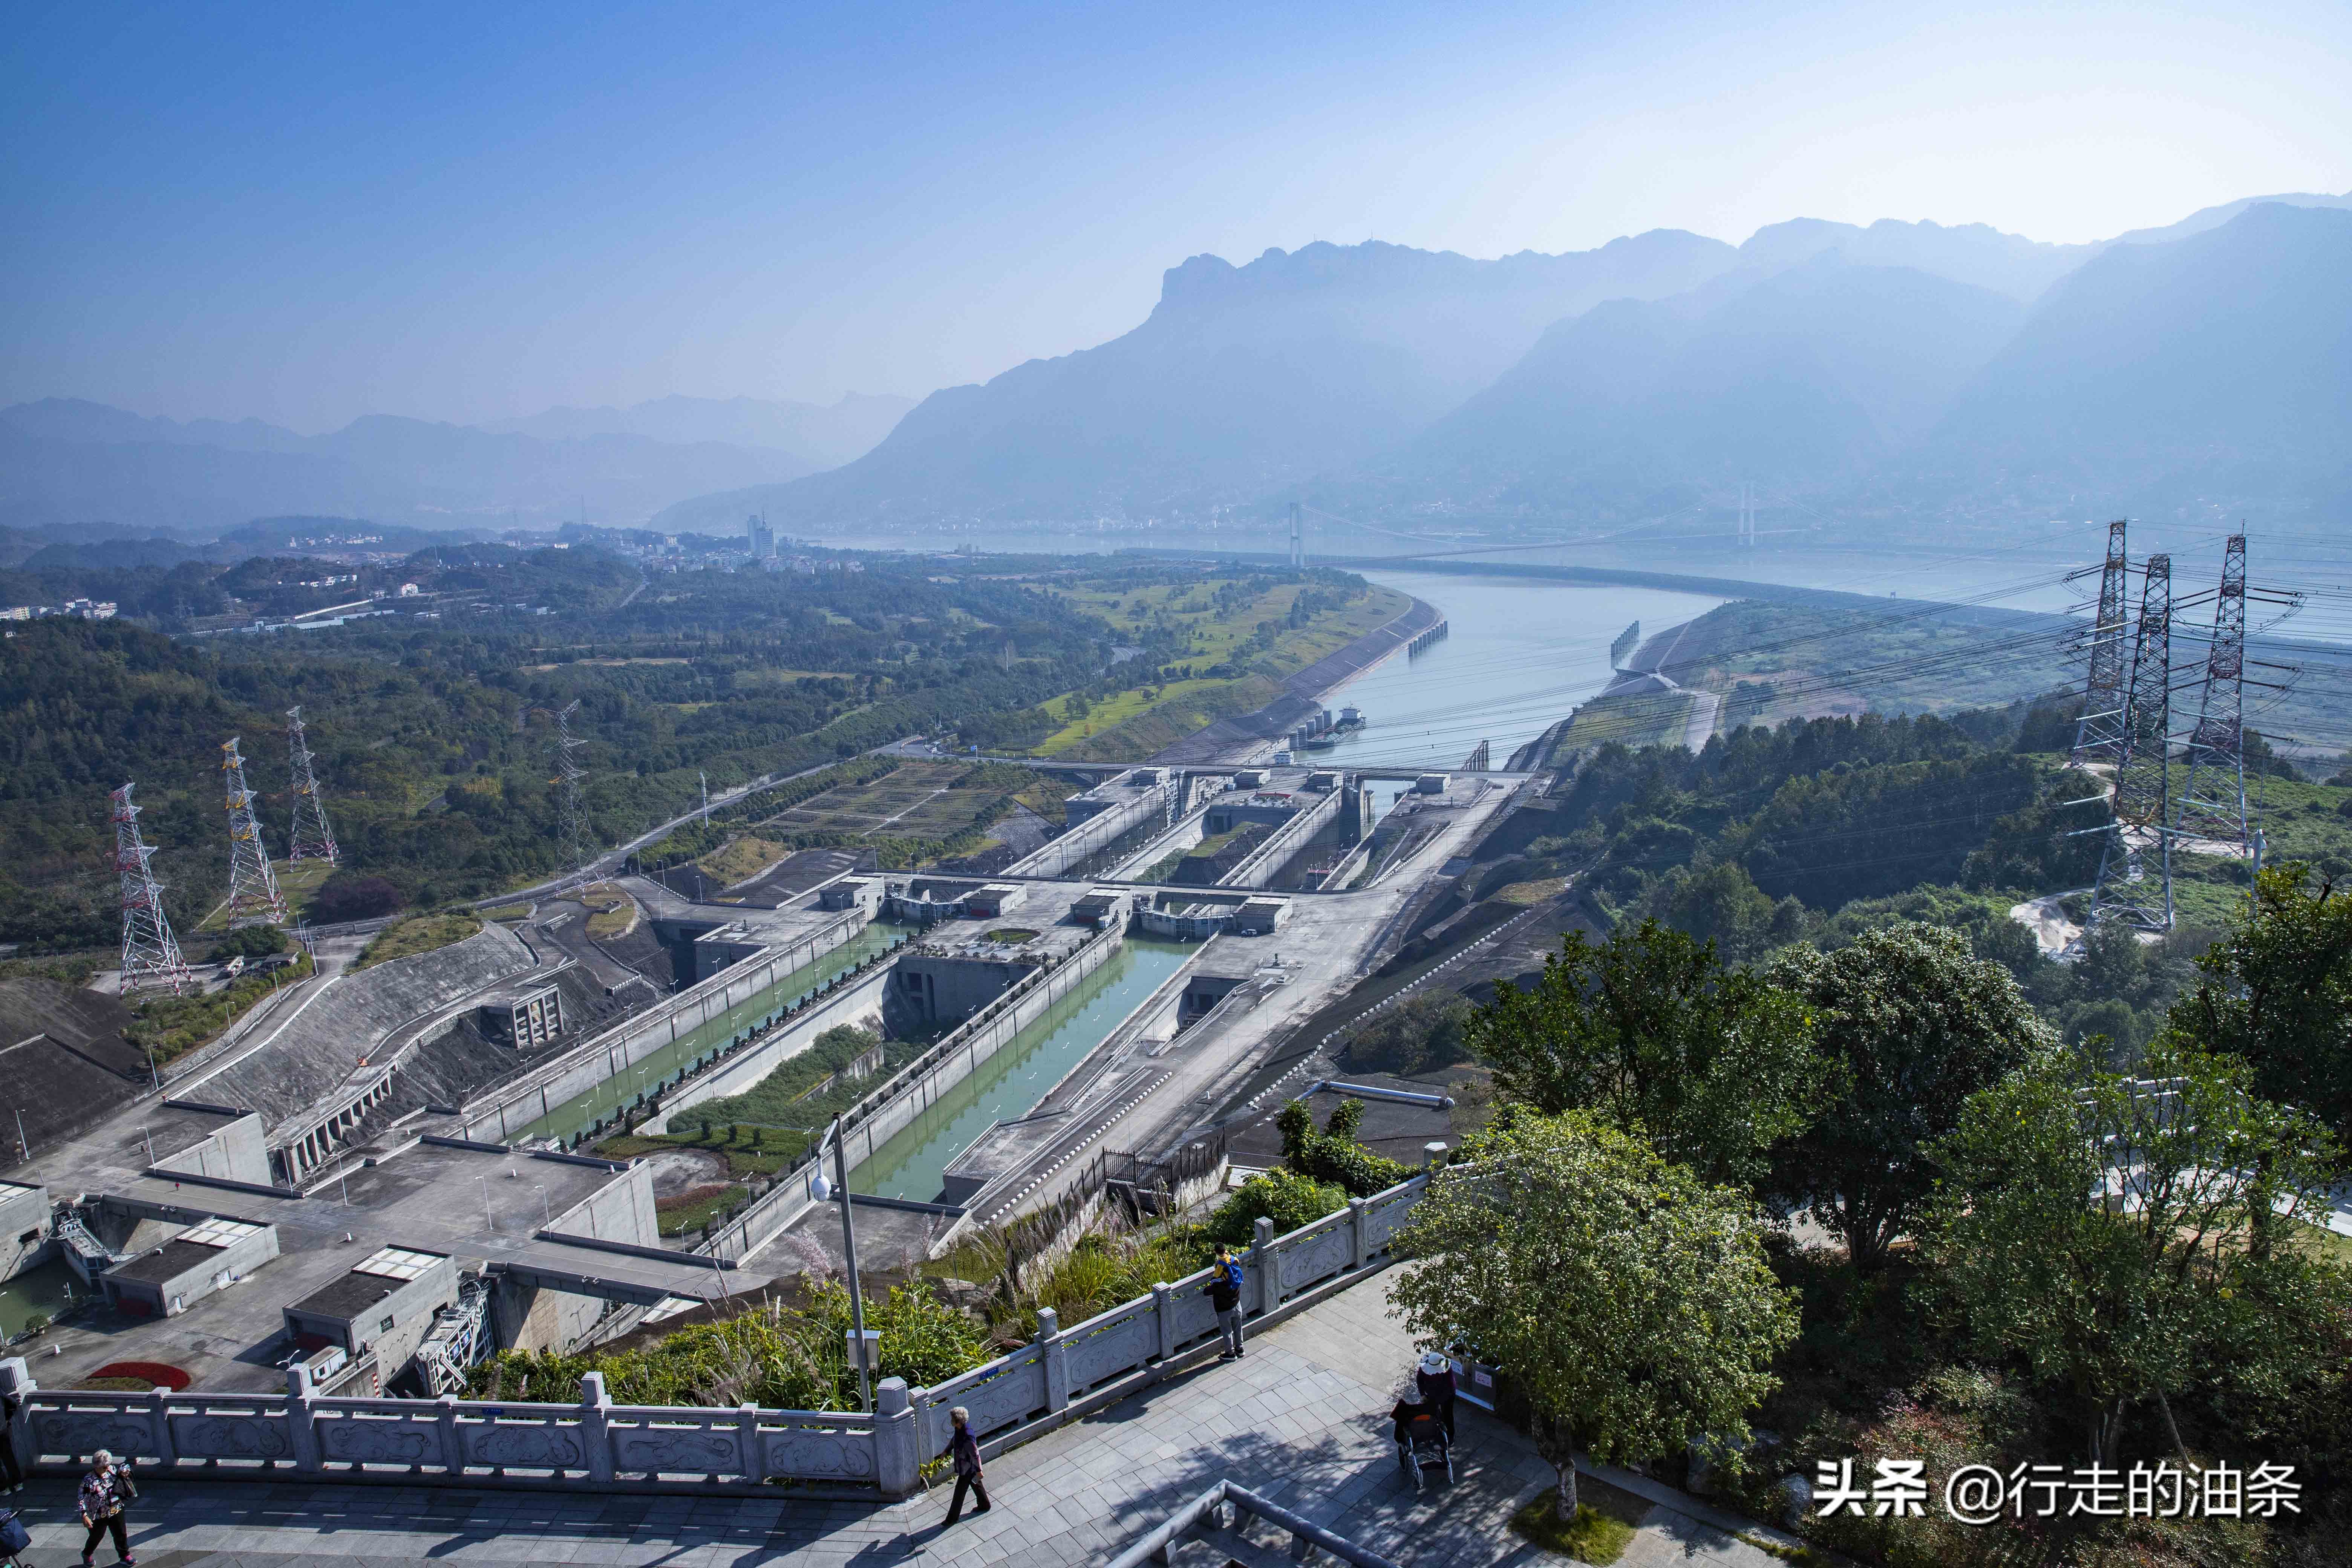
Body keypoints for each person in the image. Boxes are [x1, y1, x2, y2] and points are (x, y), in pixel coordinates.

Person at [77, 1450, 136, 1567]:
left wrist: (126, 1473)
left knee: (121, 1533)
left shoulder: (112, 1470)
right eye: (104, 1467)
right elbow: (81, 1498)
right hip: (99, 1514)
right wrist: (84, 1515)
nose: (107, 1469)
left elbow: (125, 1474)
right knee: (97, 1536)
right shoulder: (89, 1481)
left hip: (116, 1508)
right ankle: (87, 1554)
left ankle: (125, 1555)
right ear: (96, 1467)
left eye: (108, 1466)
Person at [943, 1406, 989, 1523]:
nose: (951, 1421)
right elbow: (955, 1440)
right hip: (966, 1466)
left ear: (958, 1422)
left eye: (952, 1420)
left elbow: (975, 1454)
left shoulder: (968, 1435)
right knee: (976, 1484)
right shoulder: (959, 1430)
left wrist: (979, 1470)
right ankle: (984, 1504)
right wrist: (947, 1451)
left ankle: (952, 1519)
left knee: (959, 1493)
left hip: (968, 1468)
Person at [1208, 1245, 1246, 1359]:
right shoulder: (1234, 1260)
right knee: (1238, 1328)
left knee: (1227, 1331)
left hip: (1225, 1308)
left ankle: (1230, 1354)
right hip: (1237, 1303)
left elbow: (1212, 1284)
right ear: (1225, 1250)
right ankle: (1240, 1349)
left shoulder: (1220, 1274)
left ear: (1217, 1253)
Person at [1416, 1350, 1458, 1439]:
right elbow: (1419, 1379)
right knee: (1432, 1415)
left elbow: (1451, 1386)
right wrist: (1423, 1394)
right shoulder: (1424, 1367)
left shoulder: (1447, 1368)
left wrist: (1440, 1400)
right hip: (1432, 1394)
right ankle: (1436, 1432)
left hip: (1447, 1395)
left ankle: (1450, 1438)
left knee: (1448, 1416)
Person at [0, 1381, 23, 1492]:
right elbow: (13, 1404)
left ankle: (4, 1489)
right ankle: (17, 1484)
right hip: (2, 1429)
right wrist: (6, 1418)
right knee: (9, 1457)